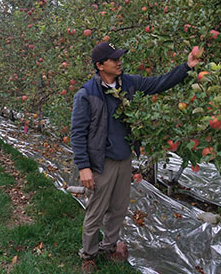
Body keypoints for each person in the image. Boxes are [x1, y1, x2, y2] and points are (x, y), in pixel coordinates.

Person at [70, 42, 201, 272]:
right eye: (113, 59)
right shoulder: (86, 94)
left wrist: (186, 67)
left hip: (124, 158)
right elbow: (77, 133)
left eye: (119, 58)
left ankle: (109, 247)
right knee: (96, 211)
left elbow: (159, 83)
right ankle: (88, 255)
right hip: (102, 162)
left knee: (119, 209)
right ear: (100, 65)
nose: (119, 61)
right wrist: (84, 167)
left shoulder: (128, 83)